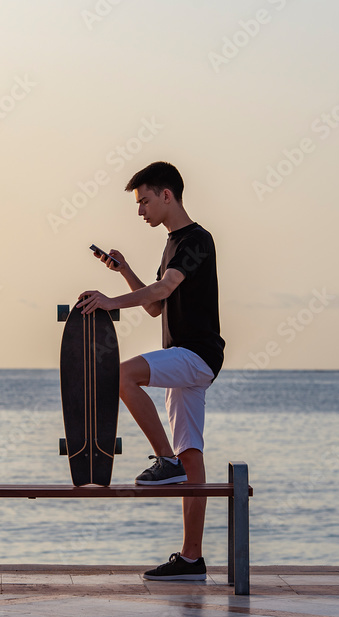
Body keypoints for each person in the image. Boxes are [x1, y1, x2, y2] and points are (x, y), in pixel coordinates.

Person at [76, 161, 224, 581]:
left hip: (194, 355)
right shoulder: (172, 244)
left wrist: (108, 302)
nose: (140, 210)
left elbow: (161, 290)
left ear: (167, 195)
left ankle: (165, 460)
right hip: (187, 361)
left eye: (143, 200)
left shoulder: (196, 239)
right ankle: (191, 559)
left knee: (121, 375)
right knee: (193, 457)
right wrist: (123, 271)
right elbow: (156, 305)